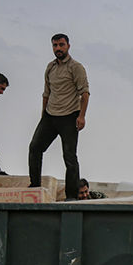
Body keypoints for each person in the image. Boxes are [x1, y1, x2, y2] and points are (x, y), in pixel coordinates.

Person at [29, 33, 89, 201]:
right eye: (55, 45)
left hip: (69, 116)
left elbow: (84, 93)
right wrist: (43, 116)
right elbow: (46, 93)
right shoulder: (50, 67)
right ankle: (34, 185)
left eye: (61, 45)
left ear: (68, 46)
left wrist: (82, 116)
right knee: (35, 147)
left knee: (69, 156)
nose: (58, 48)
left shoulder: (76, 67)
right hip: (50, 115)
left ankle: (71, 196)